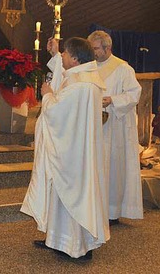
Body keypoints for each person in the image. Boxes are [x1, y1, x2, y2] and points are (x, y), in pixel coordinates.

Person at [21, 37, 109, 260]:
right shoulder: (86, 77)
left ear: (76, 58)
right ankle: (58, 239)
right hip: (76, 150)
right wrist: (55, 54)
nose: (64, 58)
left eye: (66, 55)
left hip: (72, 152)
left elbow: (57, 111)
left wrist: (47, 94)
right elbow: (65, 77)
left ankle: (78, 245)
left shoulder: (81, 84)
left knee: (72, 195)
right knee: (65, 193)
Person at [88, 30, 143, 225]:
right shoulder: (90, 67)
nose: (93, 52)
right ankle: (94, 208)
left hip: (115, 126)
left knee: (113, 168)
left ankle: (111, 212)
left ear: (107, 48)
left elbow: (134, 94)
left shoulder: (123, 69)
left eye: (95, 48)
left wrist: (112, 100)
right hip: (94, 124)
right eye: (91, 48)